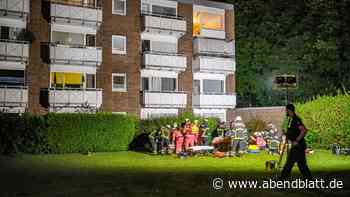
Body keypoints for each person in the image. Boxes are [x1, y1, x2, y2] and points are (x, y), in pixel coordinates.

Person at [280, 103, 312, 180]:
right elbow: (291, 131)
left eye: (286, 110)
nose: (286, 112)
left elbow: (304, 130)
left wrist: (297, 140)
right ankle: (310, 182)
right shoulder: (290, 120)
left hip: (298, 145)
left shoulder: (296, 119)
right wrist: (286, 133)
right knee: (302, 165)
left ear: (289, 110)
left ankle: (281, 180)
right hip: (297, 146)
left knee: (289, 164)